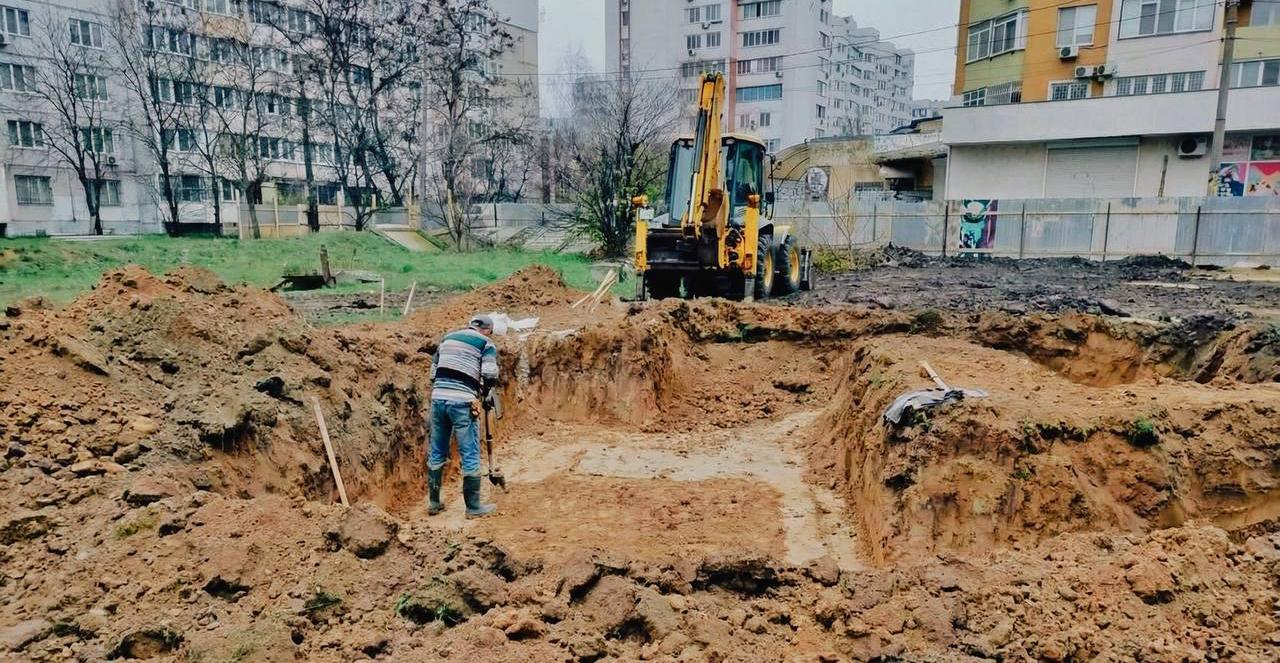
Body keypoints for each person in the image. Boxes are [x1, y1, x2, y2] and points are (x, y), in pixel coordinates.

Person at [427, 314, 499, 518]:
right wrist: (484, 395)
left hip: (438, 399)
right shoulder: (486, 343)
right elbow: (490, 374)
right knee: (470, 451)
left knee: (437, 450)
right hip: (463, 402)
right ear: (487, 330)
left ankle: (433, 502)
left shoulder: (447, 339)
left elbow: (433, 373)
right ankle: (473, 507)